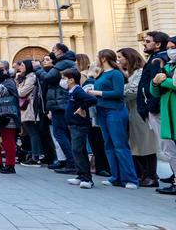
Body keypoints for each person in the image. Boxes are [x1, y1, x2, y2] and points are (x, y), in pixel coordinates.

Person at [86, 49, 139, 189]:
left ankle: (131, 179)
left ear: (103, 58)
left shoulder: (116, 73)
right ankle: (115, 177)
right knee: (108, 145)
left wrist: (97, 92)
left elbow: (118, 92)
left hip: (115, 111)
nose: (96, 59)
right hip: (102, 111)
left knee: (120, 145)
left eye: (98, 57)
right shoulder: (102, 74)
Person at [117, 48, 158, 187]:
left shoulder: (140, 72)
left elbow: (134, 90)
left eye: (120, 57)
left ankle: (151, 176)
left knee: (146, 144)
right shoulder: (129, 74)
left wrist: (118, 91)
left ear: (129, 58)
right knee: (135, 145)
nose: (118, 60)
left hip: (140, 111)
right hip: (131, 111)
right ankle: (142, 174)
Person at [34, 44, 76, 171]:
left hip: (60, 102)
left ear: (60, 51)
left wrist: (38, 68)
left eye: (53, 51)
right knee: (61, 133)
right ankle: (65, 160)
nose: (52, 53)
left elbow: (48, 77)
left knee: (59, 133)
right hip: (59, 101)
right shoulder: (66, 63)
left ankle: (71, 162)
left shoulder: (62, 63)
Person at [62, 68, 97, 188]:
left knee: (78, 150)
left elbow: (92, 99)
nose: (63, 81)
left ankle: (87, 179)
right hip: (73, 124)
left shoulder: (77, 91)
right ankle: (81, 175)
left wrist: (82, 108)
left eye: (64, 78)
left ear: (71, 80)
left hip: (79, 125)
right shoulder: (72, 91)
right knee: (78, 151)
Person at [151, 37, 176, 195]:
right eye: (169, 47)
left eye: (173, 47)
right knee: (171, 151)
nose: (170, 50)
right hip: (168, 116)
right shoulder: (167, 66)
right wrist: (155, 82)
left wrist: (163, 81)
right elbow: (154, 92)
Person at [17, 60, 43, 166]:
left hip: (30, 108)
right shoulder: (25, 77)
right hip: (26, 108)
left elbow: (21, 92)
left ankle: (36, 156)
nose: (20, 67)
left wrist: (17, 88)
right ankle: (34, 154)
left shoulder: (31, 77)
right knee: (31, 132)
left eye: (22, 65)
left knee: (33, 132)